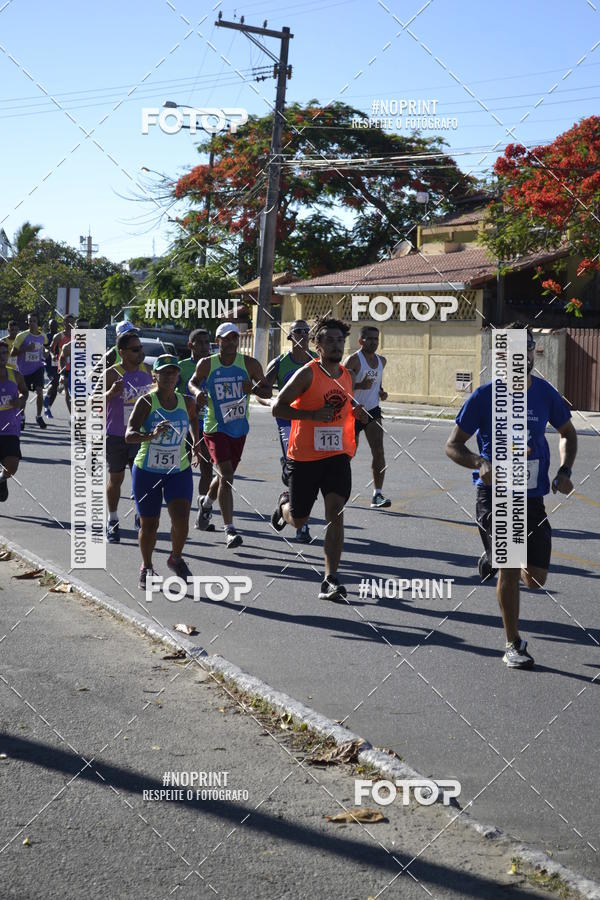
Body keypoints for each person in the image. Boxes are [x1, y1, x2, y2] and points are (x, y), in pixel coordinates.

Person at [445, 323, 578, 669]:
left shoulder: (545, 394)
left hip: (532, 496)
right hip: (496, 496)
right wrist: (480, 462)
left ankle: (493, 558)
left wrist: (565, 470)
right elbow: (453, 445)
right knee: (509, 564)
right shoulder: (484, 396)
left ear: (532, 352)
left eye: (527, 347)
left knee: (535, 578)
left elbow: (567, 432)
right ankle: (513, 644)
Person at [270, 317, 368, 602]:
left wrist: (357, 412)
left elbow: (344, 405)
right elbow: (278, 408)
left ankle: (330, 579)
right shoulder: (307, 374)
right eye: (330, 340)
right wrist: (312, 415)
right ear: (318, 345)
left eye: (340, 340)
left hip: (336, 455)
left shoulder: (347, 375)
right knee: (299, 519)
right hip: (305, 456)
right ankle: (283, 506)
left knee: (335, 512)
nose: (336, 345)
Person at [189, 322, 272, 549]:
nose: (231, 342)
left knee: (225, 476)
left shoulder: (250, 364)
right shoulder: (207, 363)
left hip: (239, 427)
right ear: (218, 341)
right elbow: (192, 382)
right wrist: (197, 392)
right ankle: (230, 530)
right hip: (215, 426)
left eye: (234, 337)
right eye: (226, 338)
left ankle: (206, 503)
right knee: (226, 474)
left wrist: (253, 390)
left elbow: (267, 390)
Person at [126, 355, 202, 590]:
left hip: (178, 470)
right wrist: (151, 435)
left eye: (173, 372)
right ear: (155, 376)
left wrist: (195, 443)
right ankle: (147, 567)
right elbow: (129, 435)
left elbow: (193, 419)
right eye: (164, 372)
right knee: (150, 525)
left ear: (178, 376)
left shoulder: (186, 402)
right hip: (147, 471)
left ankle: (175, 558)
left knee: (181, 519)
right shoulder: (146, 403)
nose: (170, 376)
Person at [265, 319, 317, 543]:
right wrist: (271, 403)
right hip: (287, 423)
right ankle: (301, 526)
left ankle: (287, 502)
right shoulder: (279, 363)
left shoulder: (317, 360)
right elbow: (262, 391)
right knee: (299, 472)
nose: (303, 334)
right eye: (298, 331)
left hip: (312, 422)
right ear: (290, 336)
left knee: (311, 473)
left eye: (306, 331)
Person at [105, 330, 153, 543]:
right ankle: (113, 519)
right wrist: (110, 394)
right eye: (135, 349)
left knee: (141, 479)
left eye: (141, 348)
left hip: (140, 434)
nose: (140, 352)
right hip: (116, 435)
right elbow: (91, 402)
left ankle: (139, 514)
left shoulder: (148, 371)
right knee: (116, 479)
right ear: (122, 352)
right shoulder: (112, 374)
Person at [344, 325, 391, 508]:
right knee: (349, 453)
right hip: (352, 411)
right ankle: (338, 490)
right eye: (369, 339)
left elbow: (377, 383)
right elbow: (340, 386)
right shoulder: (353, 360)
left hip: (372, 410)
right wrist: (359, 386)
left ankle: (377, 495)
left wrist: (381, 392)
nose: (373, 342)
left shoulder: (382, 361)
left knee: (379, 451)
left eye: (376, 339)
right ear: (360, 341)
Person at [175, 328, 215, 530]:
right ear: (190, 345)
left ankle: (202, 512)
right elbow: (170, 394)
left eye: (207, 342)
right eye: (200, 342)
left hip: (208, 425)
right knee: (181, 469)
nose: (205, 346)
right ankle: (179, 510)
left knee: (207, 469)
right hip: (185, 425)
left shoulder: (214, 365)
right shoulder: (182, 367)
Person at [0, 340, 28, 502]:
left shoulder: (15, 375)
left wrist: (20, 399)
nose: (2, 356)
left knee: (12, 466)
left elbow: (24, 392)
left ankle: (2, 479)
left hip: (10, 428)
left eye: (4, 353)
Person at [12, 312, 48, 428]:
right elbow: (13, 353)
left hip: (38, 368)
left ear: (38, 322)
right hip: (23, 370)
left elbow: (45, 349)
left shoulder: (43, 336)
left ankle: (38, 416)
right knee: (23, 395)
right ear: (27, 322)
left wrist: (46, 353)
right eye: (30, 321)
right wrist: (26, 348)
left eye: (34, 321)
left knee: (40, 391)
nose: (32, 323)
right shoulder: (21, 336)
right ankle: (22, 417)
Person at [44, 315, 74, 418]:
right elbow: (51, 349)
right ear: (64, 323)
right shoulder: (58, 336)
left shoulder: (78, 335)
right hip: (64, 366)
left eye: (72, 322)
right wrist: (53, 356)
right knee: (67, 391)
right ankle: (72, 415)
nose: (70, 324)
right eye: (68, 322)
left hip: (76, 366)